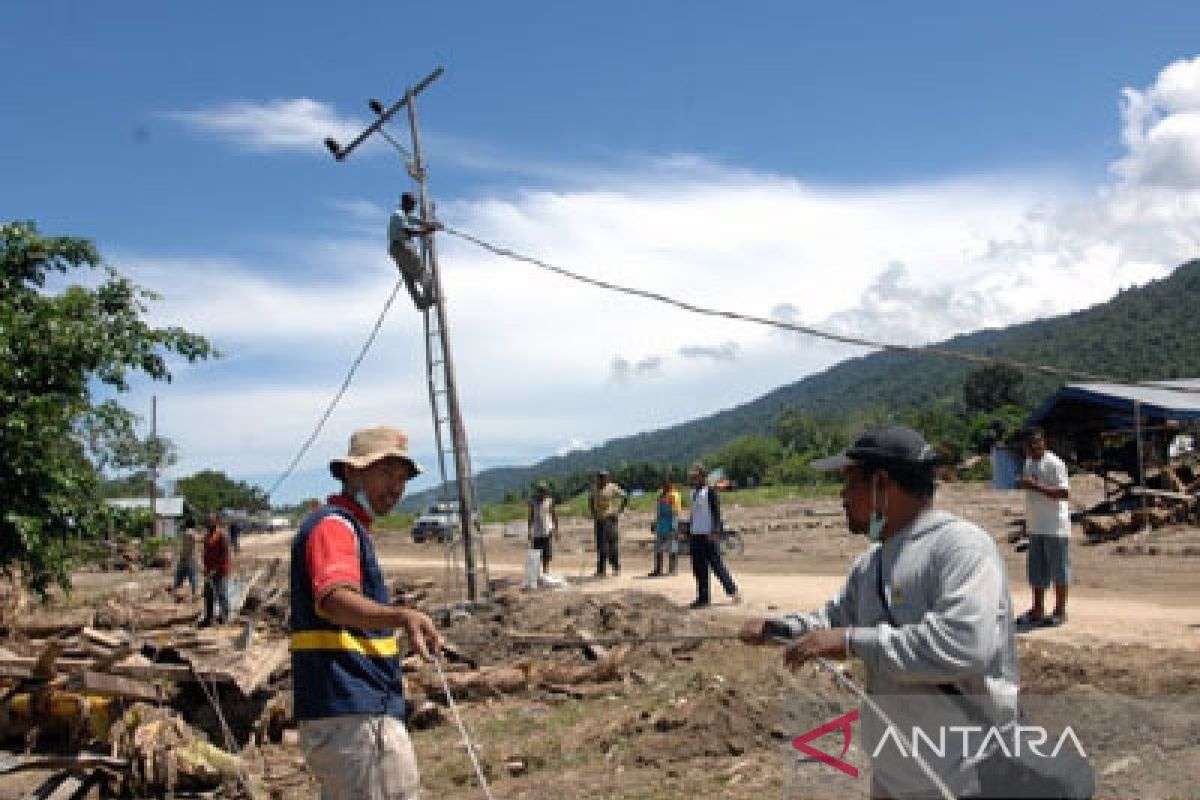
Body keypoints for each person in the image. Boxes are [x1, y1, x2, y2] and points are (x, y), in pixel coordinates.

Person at [739, 425, 1020, 799]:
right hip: (898, 774)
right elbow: (834, 621)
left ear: (882, 485)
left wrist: (852, 642)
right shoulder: (872, 563)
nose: (842, 497)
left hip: (966, 777)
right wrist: (780, 629)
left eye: (850, 483)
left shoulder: (960, 549)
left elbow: (962, 645)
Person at [291, 425, 444, 800]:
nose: (395, 486)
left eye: (402, 477)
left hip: (356, 709)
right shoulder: (335, 527)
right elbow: (335, 598)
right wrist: (400, 616)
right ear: (352, 472)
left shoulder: (351, 528)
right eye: (385, 473)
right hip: (354, 713)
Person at [1016, 426, 1071, 628]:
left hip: (1055, 526)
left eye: (1037, 442)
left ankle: (1060, 611)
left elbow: (1064, 493)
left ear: (1043, 442)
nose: (1034, 447)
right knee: (1036, 571)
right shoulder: (1028, 463)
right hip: (1036, 525)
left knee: (1059, 569)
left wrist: (1034, 486)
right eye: (1030, 444)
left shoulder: (1055, 464)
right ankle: (1037, 609)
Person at [686, 464, 739, 607]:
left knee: (716, 565)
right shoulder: (693, 494)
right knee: (699, 568)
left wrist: (715, 530)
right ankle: (703, 597)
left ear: (703, 477)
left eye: (696, 477)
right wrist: (688, 529)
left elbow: (716, 513)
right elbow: (694, 514)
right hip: (696, 534)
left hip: (708, 534)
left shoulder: (709, 492)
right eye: (692, 478)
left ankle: (732, 590)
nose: (693, 480)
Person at [388, 192, 438, 311]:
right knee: (422, 273)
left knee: (409, 278)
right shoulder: (398, 215)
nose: (413, 206)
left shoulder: (404, 214)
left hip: (396, 249)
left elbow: (416, 220)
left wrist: (430, 224)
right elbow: (408, 231)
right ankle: (430, 297)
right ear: (406, 203)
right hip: (402, 247)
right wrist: (426, 231)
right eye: (412, 203)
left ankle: (421, 303)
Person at [587, 469, 628, 577]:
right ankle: (601, 570)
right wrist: (593, 512)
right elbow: (590, 500)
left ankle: (616, 568)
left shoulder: (612, 487)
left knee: (612, 545)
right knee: (601, 546)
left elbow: (625, 496)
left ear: (607, 478)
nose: (601, 480)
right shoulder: (594, 488)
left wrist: (620, 510)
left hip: (610, 519)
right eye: (600, 477)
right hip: (599, 520)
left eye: (604, 477)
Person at [199, 513, 232, 626]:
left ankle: (224, 617)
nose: (208, 524)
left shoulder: (222, 535)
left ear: (216, 522)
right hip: (210, 570)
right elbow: (205, 553)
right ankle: (209, 618)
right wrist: (206, 568)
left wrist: (217, 568)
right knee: (208, 594)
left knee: (221, 593)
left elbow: (225, 554)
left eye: (210, 521)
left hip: (221, 570)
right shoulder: (207, 536)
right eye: (207, 522)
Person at [648, 479, 682, 577]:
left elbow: (675, 512)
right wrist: (655, 522)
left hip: (671, 523)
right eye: (663, 485)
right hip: (661, 524)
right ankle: (658, 569)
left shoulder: (674, 495)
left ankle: (672, 569)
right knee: (658, 547)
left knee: (672, 546)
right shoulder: (660, 496)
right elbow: (658, 511)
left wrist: (674, 526)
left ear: (670, 486)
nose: (664, 487)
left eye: (666, 485)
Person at [527, 482, 559, 573]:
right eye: (541, 491)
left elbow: (554, 515)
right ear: (538, 492)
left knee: (546, 553)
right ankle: (535, 573)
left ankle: (546, 571)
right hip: (536, 532)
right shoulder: (533, 502)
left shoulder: (549, 501)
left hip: (547, 531)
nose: (543, 493)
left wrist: (556, 529)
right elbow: (530, 517)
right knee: (535, 554)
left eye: (544, 491)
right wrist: (529, 530)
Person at [171, 526, 201, 598]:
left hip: (184, 558)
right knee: (193, 577)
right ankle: (194, 594)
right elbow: (197, 538)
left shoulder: (186, 534)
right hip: (190, 559)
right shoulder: (191, 534)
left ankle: (176, 591)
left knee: (179, 576)